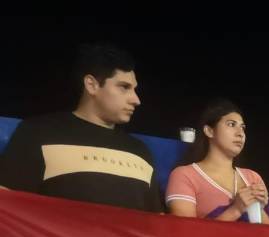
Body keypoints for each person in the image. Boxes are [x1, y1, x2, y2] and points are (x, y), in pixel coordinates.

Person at [0, 43, 161, 212]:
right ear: (91, 85)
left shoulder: (141, 152)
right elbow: (7, 209)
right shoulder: (38, 133)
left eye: (134, 89)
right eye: (124, 87)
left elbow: (154, 221)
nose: (136, 99)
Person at [165, 99, 269, 224]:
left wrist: (258, 209)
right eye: (231, 124)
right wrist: (236, 210)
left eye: (243, 127)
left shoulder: (253, 178)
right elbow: (185, 233)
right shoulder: (184, 175)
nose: (241, 134)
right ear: (209, 131)